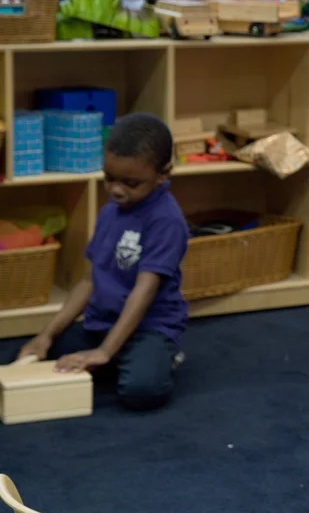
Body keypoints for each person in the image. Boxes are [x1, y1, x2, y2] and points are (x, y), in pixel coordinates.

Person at [15, 113, 188, 410]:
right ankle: (109, 357)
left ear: (163, 173)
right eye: (109, 178)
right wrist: (46, 334)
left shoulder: (167, 221)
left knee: (141, 391)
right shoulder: (111, 211)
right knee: (38, 355)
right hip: (102, 322)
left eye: (132, 183)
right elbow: (89, 280)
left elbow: (143, 291)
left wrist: (106, 351)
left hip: (148, 326)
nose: (117, 190)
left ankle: (158, 357)